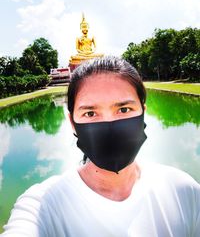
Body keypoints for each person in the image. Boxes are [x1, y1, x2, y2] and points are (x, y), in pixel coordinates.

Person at [1, 56, 200, 237]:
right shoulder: (42, 206)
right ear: (72, 123)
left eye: (124, 109)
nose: (109, 125)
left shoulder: (182, 189)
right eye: (90, 113)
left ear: (143, 112)